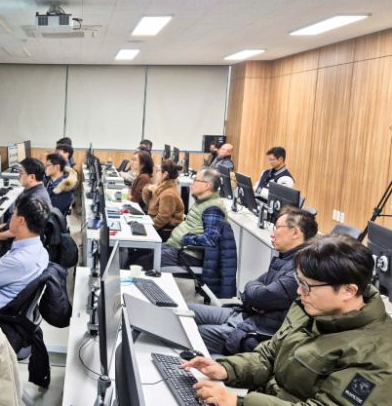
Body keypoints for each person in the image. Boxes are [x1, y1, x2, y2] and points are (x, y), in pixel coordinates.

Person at [181, 235, 392, 406]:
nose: (299, 292)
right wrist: (228, 369)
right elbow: (269, 355)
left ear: (348, 291)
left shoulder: (378, 357)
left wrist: (240, 402)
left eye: (307, 286)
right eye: (300, 282)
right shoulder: (309, 308)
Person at [188, 208, 317, 355]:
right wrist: (255, 297)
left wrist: (256, 297)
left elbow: (260, 296)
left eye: (277, 227)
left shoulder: (301, 268)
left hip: (254, 330)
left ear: (295, 232)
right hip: (246, 315)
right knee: (189, 311)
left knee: (194, 333)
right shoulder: (285, 258)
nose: (272, 233)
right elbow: (252, 290)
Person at [0, 195, 50, 307]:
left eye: (14, 213)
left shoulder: (19, 261)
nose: (11, 217)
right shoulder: (41, 251)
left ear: (21, 220)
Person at [160, 168, 225, 268]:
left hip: (187, 256)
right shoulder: (202, 202)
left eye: (196, 180)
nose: (192, 183)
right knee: (145, 251)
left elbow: (210, 240)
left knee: (144, 261)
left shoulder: (213, 209)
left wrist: (185, 239)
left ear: (207, 186)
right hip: (178, 248)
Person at [142, 159, 185, 233]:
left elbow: (162, 219)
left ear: (165, 174)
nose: (155, 173)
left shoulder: (168, 194)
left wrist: (146, 229)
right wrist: (148, 188)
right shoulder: (160, 187)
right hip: (156, 224)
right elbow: (148, 203)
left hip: (164, 230)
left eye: (158, 170)